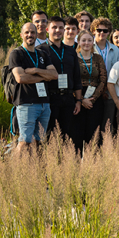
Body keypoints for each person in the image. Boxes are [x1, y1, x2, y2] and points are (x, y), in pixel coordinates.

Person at [9, 23, 58, 153]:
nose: (30, 35)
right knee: (24, 141)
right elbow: (21, 78)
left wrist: (35, 70)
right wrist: (43, 76)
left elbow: (54, 75)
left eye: (32, 32)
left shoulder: (43, 54)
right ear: (21, 35)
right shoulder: (16, 54)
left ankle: (35, 170)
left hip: (44, 104)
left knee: (39, 142)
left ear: (37, 35)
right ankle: (15, 170)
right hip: (26, 104)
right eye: (27, 32)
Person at [38, 16, 83, 146]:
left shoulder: (71, 51)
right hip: (49, 98)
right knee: (49, 134)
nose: (58, 30)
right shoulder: (41, 50)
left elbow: (76, 78)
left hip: (68, 98)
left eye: (61, 28)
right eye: (54, 27)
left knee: (66, 134)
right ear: (47, 29)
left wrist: (78, 101)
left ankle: (63, 164)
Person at [74, 30, 107, 148]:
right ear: (78, 42)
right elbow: (70, 80)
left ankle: (92, 163)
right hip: (77, 99)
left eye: (89, 40)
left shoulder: (98, 58)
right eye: (83, 40)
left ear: (93, 42)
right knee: (78, 133)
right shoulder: (73, 58)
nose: (86, 43)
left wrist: (92, 99)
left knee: (93, 134)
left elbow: (103, 79)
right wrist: (81, 100)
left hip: (95, 99)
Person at [92, 17, 119, 133]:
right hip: (93, 91)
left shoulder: (115, 50)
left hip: (110, 92)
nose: (102, 33)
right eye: (99, 30)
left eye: (105, 31)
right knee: (94, 124)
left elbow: (118, 73)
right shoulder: (88, 47)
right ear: (93, 31)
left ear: (109, 32)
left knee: (107, 125)